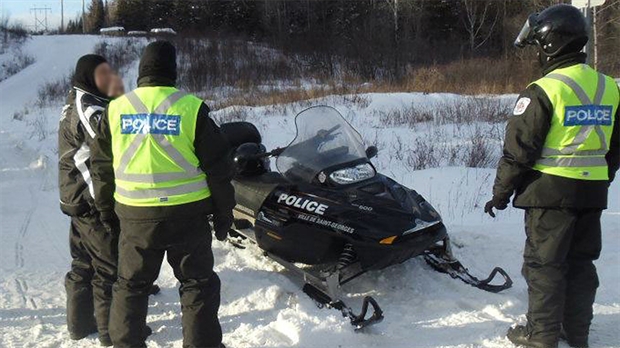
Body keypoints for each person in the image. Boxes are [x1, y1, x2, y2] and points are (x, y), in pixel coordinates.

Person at [484, 4, 619, 348]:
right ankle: (576, 334)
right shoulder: (608, 87)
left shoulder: (544, 90)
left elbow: (518, 151)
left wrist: (500, 194)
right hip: (591, 194)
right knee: (581, 266)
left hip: (549, 194)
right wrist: (601, 178)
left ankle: (541, 336)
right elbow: (616, 146)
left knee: (545, 266)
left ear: (549, 44)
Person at [90, 41, 235, 348]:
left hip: (135, 216)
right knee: (197, 284)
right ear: (173, 70)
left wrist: (106, 211)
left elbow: (100, 167)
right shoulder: (190, 108)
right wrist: (224, 213)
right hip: (188, 215)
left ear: (141, 70)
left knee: (130, 286)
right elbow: (219, 170)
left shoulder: (116, 109)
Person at [58, 54, 125, 346]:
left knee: (83, 263)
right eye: (102, 73)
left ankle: (79, 325)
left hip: (75, 195)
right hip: (90, 199)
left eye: (109, 72)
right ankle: (111, 332)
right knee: (108, 266)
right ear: (88, 75)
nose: (109, 77)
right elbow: (107, 145)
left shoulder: (75, 101)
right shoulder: (89, 106)